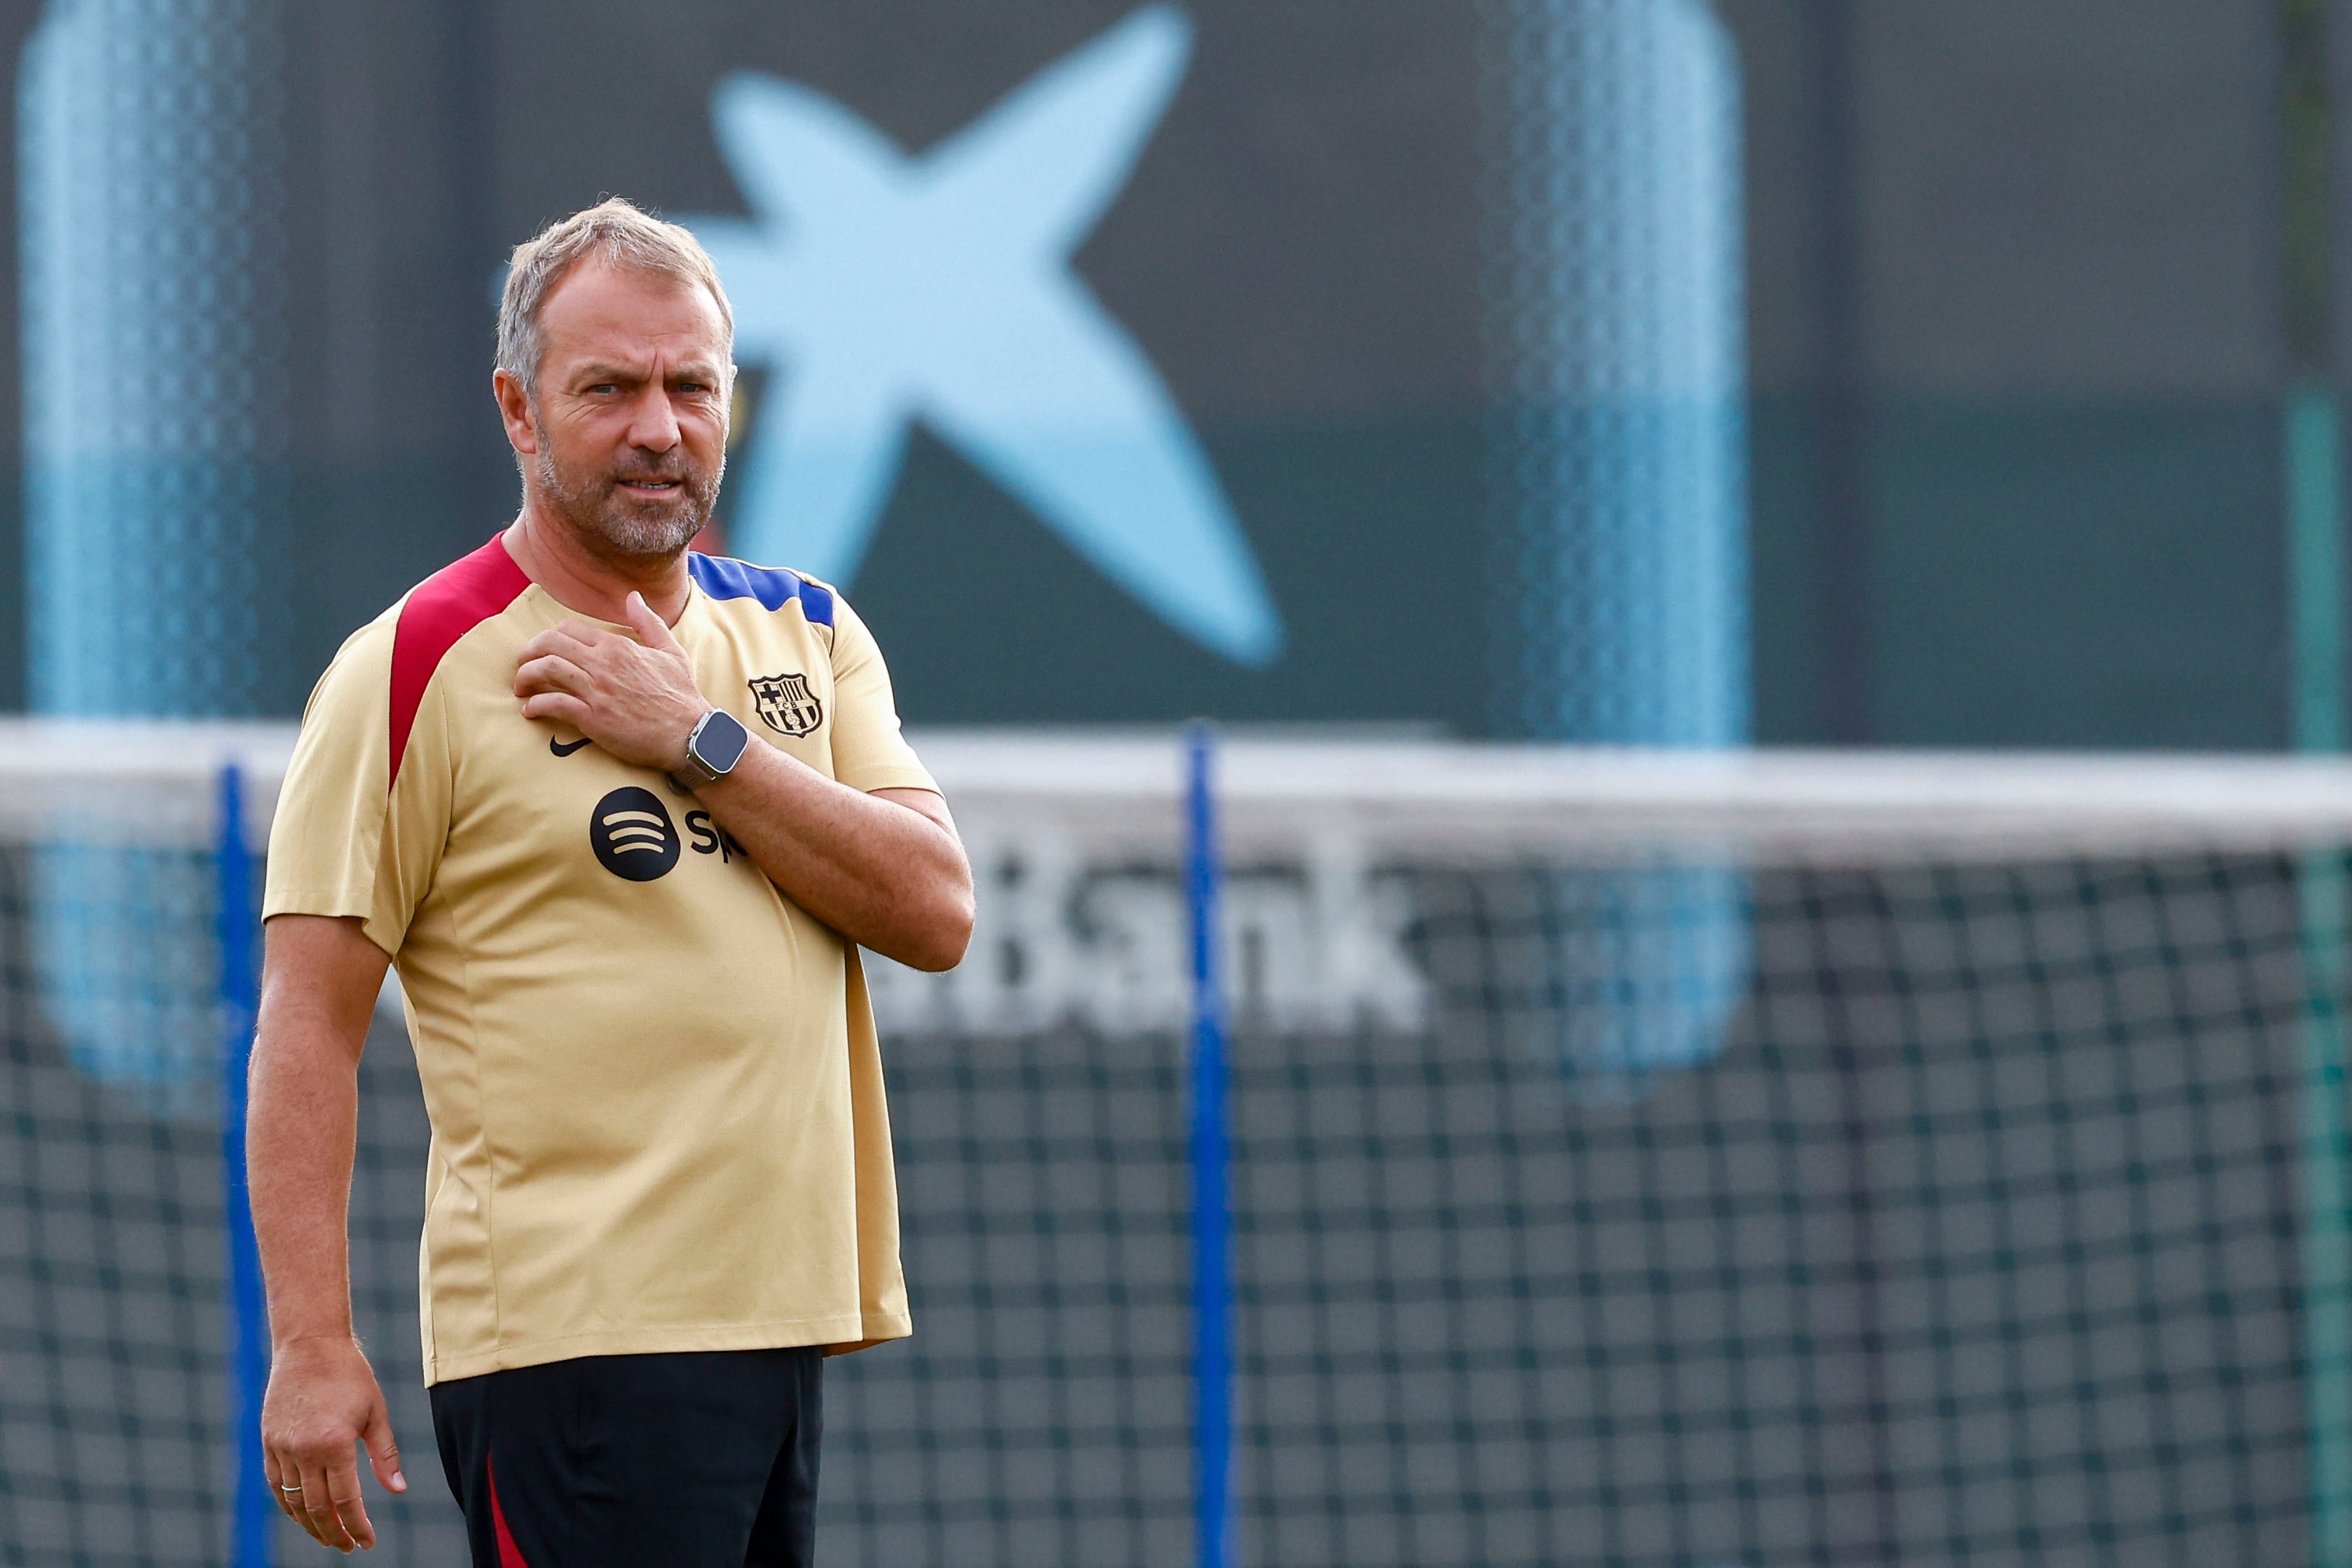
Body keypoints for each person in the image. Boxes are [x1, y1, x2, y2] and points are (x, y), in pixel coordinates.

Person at [247, 198, 973, 1565]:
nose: (659, 426)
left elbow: (933, 911)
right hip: (574, 1347)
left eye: (690, 386)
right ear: (519, 411)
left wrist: (698, 743)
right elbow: (307, 1021)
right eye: (610, 389)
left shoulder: (803, 630)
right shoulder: (413, 662)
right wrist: (309, 1342)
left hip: (780, 1329)